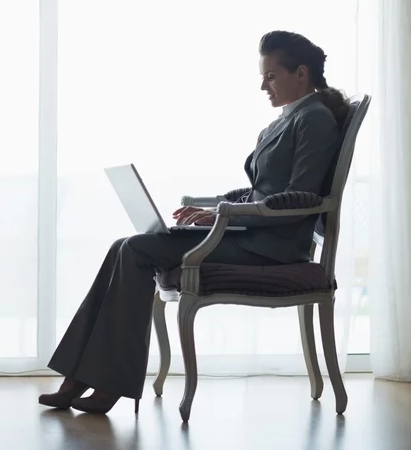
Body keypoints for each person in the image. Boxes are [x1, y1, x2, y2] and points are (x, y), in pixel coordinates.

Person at [39, 30, 350, 414]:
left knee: (136, 249)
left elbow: (300, 199)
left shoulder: (315, 120)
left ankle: (103, 384)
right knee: (123, 245)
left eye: (270, 76)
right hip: (247, 232)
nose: (262, 86)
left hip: (272, 247)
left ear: (300, 73)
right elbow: (259, 191)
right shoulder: (282, 122)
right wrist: (220, 206)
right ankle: (82, 377)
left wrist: (226, 215)